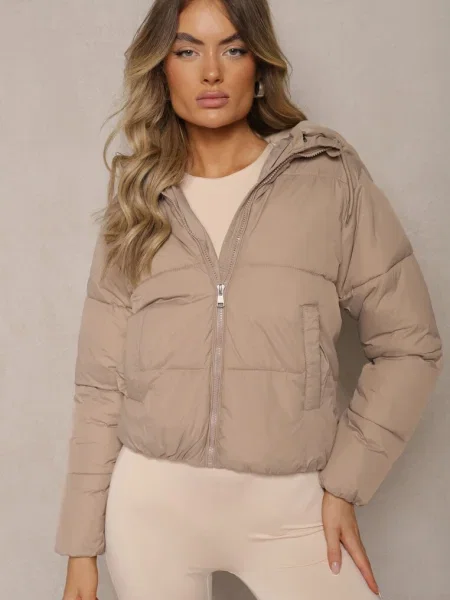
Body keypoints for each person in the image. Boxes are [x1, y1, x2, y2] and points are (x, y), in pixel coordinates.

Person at [54, 0, 443, 599]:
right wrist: (81, 550)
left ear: (259, 66)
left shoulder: (327, 179)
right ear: (162, 70)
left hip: (291, 506)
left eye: (232, 49)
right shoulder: (138, 199)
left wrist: (346, 483)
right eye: (187, 50)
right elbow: (100, 386)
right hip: (152, 512)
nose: (211, 71)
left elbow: (410, 346)